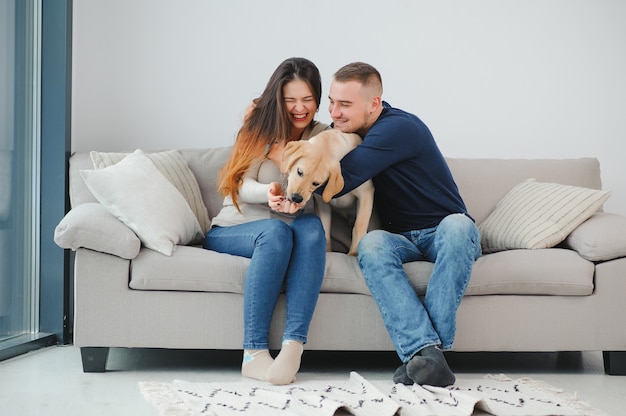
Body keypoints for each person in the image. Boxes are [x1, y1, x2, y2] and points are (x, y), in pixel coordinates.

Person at [327, 62, 482, 387]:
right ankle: (429, 357)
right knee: (371, 244)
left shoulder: (397, 128)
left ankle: (425, 354)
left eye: (344, 104)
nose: (335, 113)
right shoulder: (348, 133)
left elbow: (345, 177)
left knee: (458, 225)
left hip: (445, 233)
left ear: (374, 104)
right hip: (404, 241)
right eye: (332, 101)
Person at [203, 57, 328, 385]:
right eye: (290, 101)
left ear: (317, 98)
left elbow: (327, 186)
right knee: (275, 232)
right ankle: (254, 354)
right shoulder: (260, 128)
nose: (299, 109)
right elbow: (240, 185)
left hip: (288, 227)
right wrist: (269, 194)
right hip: (235, 227)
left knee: (311, 227)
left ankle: (293, 347)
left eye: (307, 100)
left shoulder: (322, 137)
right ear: (278, 99)